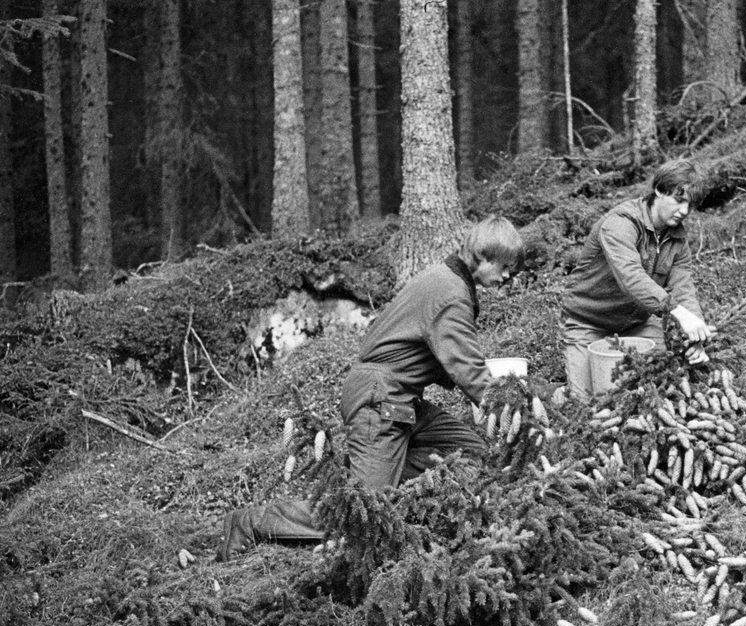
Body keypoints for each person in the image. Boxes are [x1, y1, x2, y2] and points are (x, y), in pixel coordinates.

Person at [216, 215, 525, 561]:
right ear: (482, 257)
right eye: (505, 266)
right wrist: (514, 408)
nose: (509, 275)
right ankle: (252, 522)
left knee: (469, 451)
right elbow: (467, 369)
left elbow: (430, 352)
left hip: (402, 402)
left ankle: (382, 476)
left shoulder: (442, 278)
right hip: (381, 400)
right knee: (363, 513)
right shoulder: (450, 295)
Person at [560, 158, 712, 401]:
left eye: (690, 205)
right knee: (587, 404)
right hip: (589, 321)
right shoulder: (620, 224)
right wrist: (677, 312)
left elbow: (683, 289)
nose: (684, 211)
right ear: (659, 191)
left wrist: (695, 335)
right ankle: (560, 393)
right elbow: (631, 276)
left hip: (638, 322)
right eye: (678, 200)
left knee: (661, 387)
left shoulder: (678, 240)